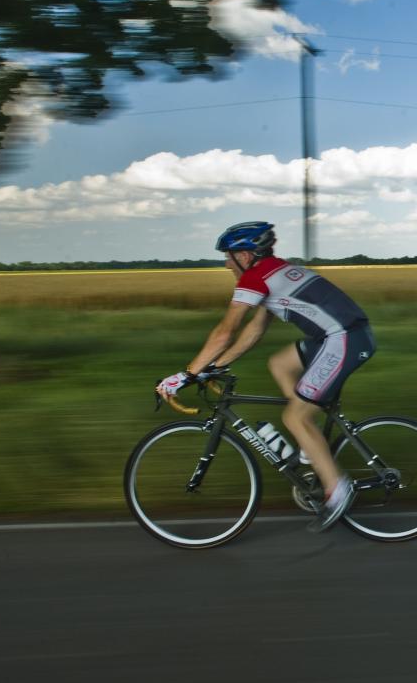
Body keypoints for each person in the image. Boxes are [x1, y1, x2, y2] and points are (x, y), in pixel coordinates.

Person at [155, 221, 376, 532]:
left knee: (295, 417)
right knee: (280, 364)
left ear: (245, 255)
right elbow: (254, 331)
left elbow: (225, 332)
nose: (225, 262)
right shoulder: (276, 272)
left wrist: (185, 375)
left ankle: (338, 490)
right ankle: (310, 446)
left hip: (344, 340)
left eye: (228, 256)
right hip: (340, 336)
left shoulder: (257, 277)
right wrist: (214, 368)